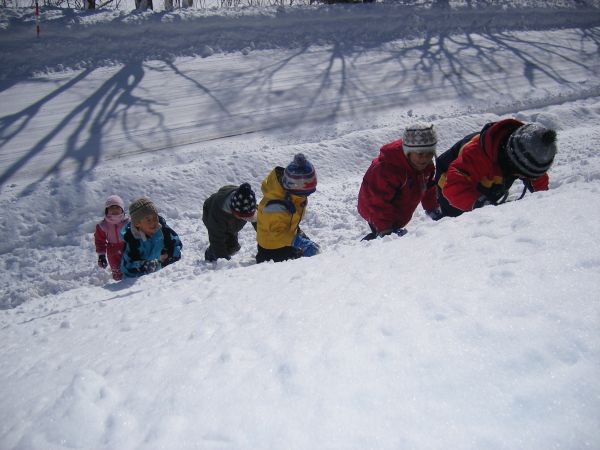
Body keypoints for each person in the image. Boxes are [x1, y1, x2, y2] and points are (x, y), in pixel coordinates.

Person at [435, 119, 557, 217]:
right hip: (450, 180)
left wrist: (542, 198)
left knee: (490, 199)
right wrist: (480, 206)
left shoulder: (527, 151)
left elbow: (536, 177)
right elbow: (454, 187)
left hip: (486, 177)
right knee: (458, 219)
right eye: (521, 174)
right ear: (511, 162)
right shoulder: (476, 154)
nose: (523, 177)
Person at [357, 123, 441, 241]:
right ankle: (368, 245)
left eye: (430, 153)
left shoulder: (425, 166)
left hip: (400, 206)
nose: (425, 158)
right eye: (420, 154)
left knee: (396, 224)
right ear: (408, 152)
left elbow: (428, 187)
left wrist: (433, 208)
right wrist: (386, 230)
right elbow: (378, 203)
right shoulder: (387, 170)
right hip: (373, 206)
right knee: (383, 237)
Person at [256, 153, 320, 263]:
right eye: (305, 192)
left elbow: (290, 219)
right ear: (295, 187)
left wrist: (299, 235)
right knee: (300, 264)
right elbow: (276, 233)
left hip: (287, 236)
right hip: (272, 247)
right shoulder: (274, 205)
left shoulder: (296, 196)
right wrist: (299, 241)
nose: (307, 196)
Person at [120, 197, 182, 278]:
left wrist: (168, 256)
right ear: (137, 224)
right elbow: (127, 267)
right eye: (148, 220)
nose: (154, 222)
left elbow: (177, 244)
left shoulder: (162, 230)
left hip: (162, 278)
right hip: (139, 281)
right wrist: (145, 265)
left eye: (155, 217)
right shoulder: (133, 240)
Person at [202, 182, 257, 262]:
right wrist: (225, 263)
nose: (246, 219)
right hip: (210, 213)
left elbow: (261, 224)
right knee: (222, 246)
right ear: (233, 210)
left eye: (248, 217)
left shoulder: (248, 202)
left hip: (231, 220)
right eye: (243, 217)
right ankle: (210, 254)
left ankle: (229, 239)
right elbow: (216, 239)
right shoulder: (217, 214)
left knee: (233, 247)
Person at [94, 195, 129, 281]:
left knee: (129, 266)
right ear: (107, 210)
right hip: (112, 251)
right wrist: (101, 255)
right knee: (116, 270)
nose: (114, 210)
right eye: (112, 207)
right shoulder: (103, 225)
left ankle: (130, 282)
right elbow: (100, 241)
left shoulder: (128, 222)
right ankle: (118, 284)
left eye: (117, 207)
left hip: (127, 248)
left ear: (122, 209)